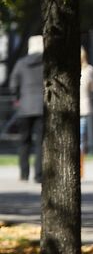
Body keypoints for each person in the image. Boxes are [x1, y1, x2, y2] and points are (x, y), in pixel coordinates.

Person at [8, 36, 44, 183]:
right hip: (42, 107)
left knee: (24, 141)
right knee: (41, 143)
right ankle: (39, 175)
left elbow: (13, 84)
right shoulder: (47, 63)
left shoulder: (21, 63)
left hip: (24, 107)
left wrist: (17, 98)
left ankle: (24, 174)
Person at [79, 48, 93, 165]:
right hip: (84, 105)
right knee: (81, 133)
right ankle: (80, 159)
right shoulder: (89, 70)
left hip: (74, 105)